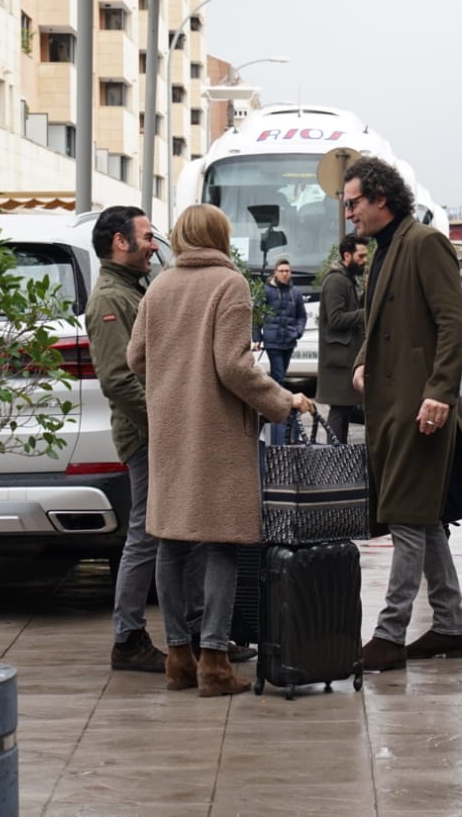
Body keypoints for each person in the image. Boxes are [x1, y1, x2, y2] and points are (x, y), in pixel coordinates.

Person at [126, 205, 313, 697]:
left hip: (170, 429)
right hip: (216, 431)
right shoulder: (228, 286)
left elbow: (135, 356)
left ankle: (178, 660)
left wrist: (170, 381)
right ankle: (214, 661)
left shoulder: (161, 286)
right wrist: (283, 400)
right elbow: (232, 368)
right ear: (221, 236)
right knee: (223, 543)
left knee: (171, 541)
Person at [344, 156, 462, 672]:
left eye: (354, 202)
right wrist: (363, 360)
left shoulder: (425, 243)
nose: (349, 214)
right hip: (392, 407)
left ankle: (389, 634)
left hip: (420, 408)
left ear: (381, 198)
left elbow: (455, 324)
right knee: (423, 523)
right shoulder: (384, 249)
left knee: (406, 518)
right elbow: (380, 322)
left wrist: (440, 392)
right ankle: (449, 627)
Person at [85, 205, 172, 674]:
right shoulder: (108, 300)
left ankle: (195, 636)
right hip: (144, 435)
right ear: (121, 241)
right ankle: (128, 638)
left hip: (153, 429)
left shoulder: (132, 290)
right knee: (145, 534)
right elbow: (119, 381)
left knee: (167, 534)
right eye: (146, 236)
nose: (153, 245)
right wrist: (164, 425)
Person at [317, 236, 368, 443]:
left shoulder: (346, 279)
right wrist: (366, 313)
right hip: (339, 360)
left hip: (343, 358)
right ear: (347, 256)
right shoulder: (336, 281)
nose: (365, 259)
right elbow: (335, 319)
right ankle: (335, 457)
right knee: (339, 410)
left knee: (344, 410)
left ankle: (338, 456)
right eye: (361, 255)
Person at [258, 257, 308, 443]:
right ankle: (281, 408)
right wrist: (258, 337)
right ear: (275, 272)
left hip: (289, 341)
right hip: (273, 341)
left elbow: (301, 316)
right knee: (278, 375)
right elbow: (257, 314)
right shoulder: (267, 291)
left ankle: (281, 406)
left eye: (288, 270)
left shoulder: (295, 292)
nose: (285, 273)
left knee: (282, 374)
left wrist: (298, 332)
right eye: (282, 271)